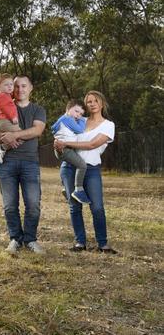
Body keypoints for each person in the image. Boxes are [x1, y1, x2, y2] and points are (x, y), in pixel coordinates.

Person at [0, 75, 46, 254]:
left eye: (23, 86)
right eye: (16, 86)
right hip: (7, 162)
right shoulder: (5, 104)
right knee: (10, 205)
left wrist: (15, 135)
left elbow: (38, 130)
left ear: (31, 88)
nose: (19, 90)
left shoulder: (37, 109)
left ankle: (30, 239)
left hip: (30, 162)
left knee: (33, 203)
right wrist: (4, 137)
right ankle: (15, 239)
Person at [55, 91, 118, 254]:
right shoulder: (79, 120)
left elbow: (91, 145)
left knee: (97, 207)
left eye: (95, 100)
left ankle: (103, 244)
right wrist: (58, 141)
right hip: (69, 168)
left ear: (102, 103)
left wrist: (65, 143)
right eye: (88, 101)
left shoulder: (108, 125)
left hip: (91, 169)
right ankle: (79, 243)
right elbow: (62, 124)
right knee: (74, 206)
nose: (92, 104)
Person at [51, 100, 90, 204]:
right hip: (66, 150)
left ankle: (65, 187)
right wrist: (82, 120)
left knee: (71, 164)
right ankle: (78, 189)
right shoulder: (68, 119)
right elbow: (80, 130)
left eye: (81, 114)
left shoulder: (62, 119)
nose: (78, 115)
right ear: (67, 109)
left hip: (60, 150)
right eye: (76, 111)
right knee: (82, 165)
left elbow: (54, 129)